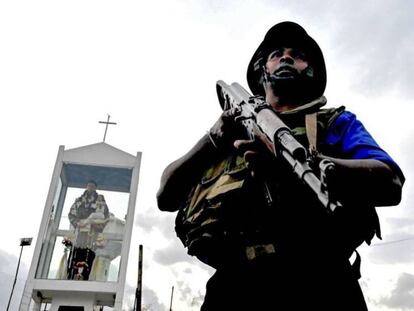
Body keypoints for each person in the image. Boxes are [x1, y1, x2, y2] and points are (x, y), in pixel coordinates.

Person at [157, 21, 405, 310]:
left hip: (322, 282)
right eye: (277, 53)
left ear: (309, 70)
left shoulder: (335, 123)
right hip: (235, 286)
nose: (286, 57)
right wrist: (213, 138)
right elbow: (166, 196)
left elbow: (390, 183)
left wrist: (305, 166)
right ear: (262, 70)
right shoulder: (231, 130)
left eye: (297, 54)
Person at [67, 180, 109, 280]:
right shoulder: (79, 200)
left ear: (95, 188)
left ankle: (85, 278)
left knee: (89, 257)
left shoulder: (100, 202)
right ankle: (72, 277)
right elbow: (71, 214)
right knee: (75, 257)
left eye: (93, 186)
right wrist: (77, 223)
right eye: (89, 185)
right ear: (86, 186)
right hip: (79, 235)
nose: (90, 187)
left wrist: (95, 225)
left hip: (92, 236)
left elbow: (105, 218)